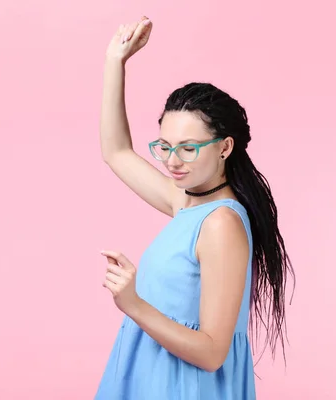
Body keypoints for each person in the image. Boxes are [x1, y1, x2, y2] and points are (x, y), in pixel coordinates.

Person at [95, 16, 294, 400]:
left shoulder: (221, 225)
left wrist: (133, 304)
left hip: (184, 388)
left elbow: (212, 352)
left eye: (188, 148)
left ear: (224, 147)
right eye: (165, 147)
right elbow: (115, 151)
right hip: (150, 378)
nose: (172, 161)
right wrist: (114, 63)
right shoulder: (185, 201)